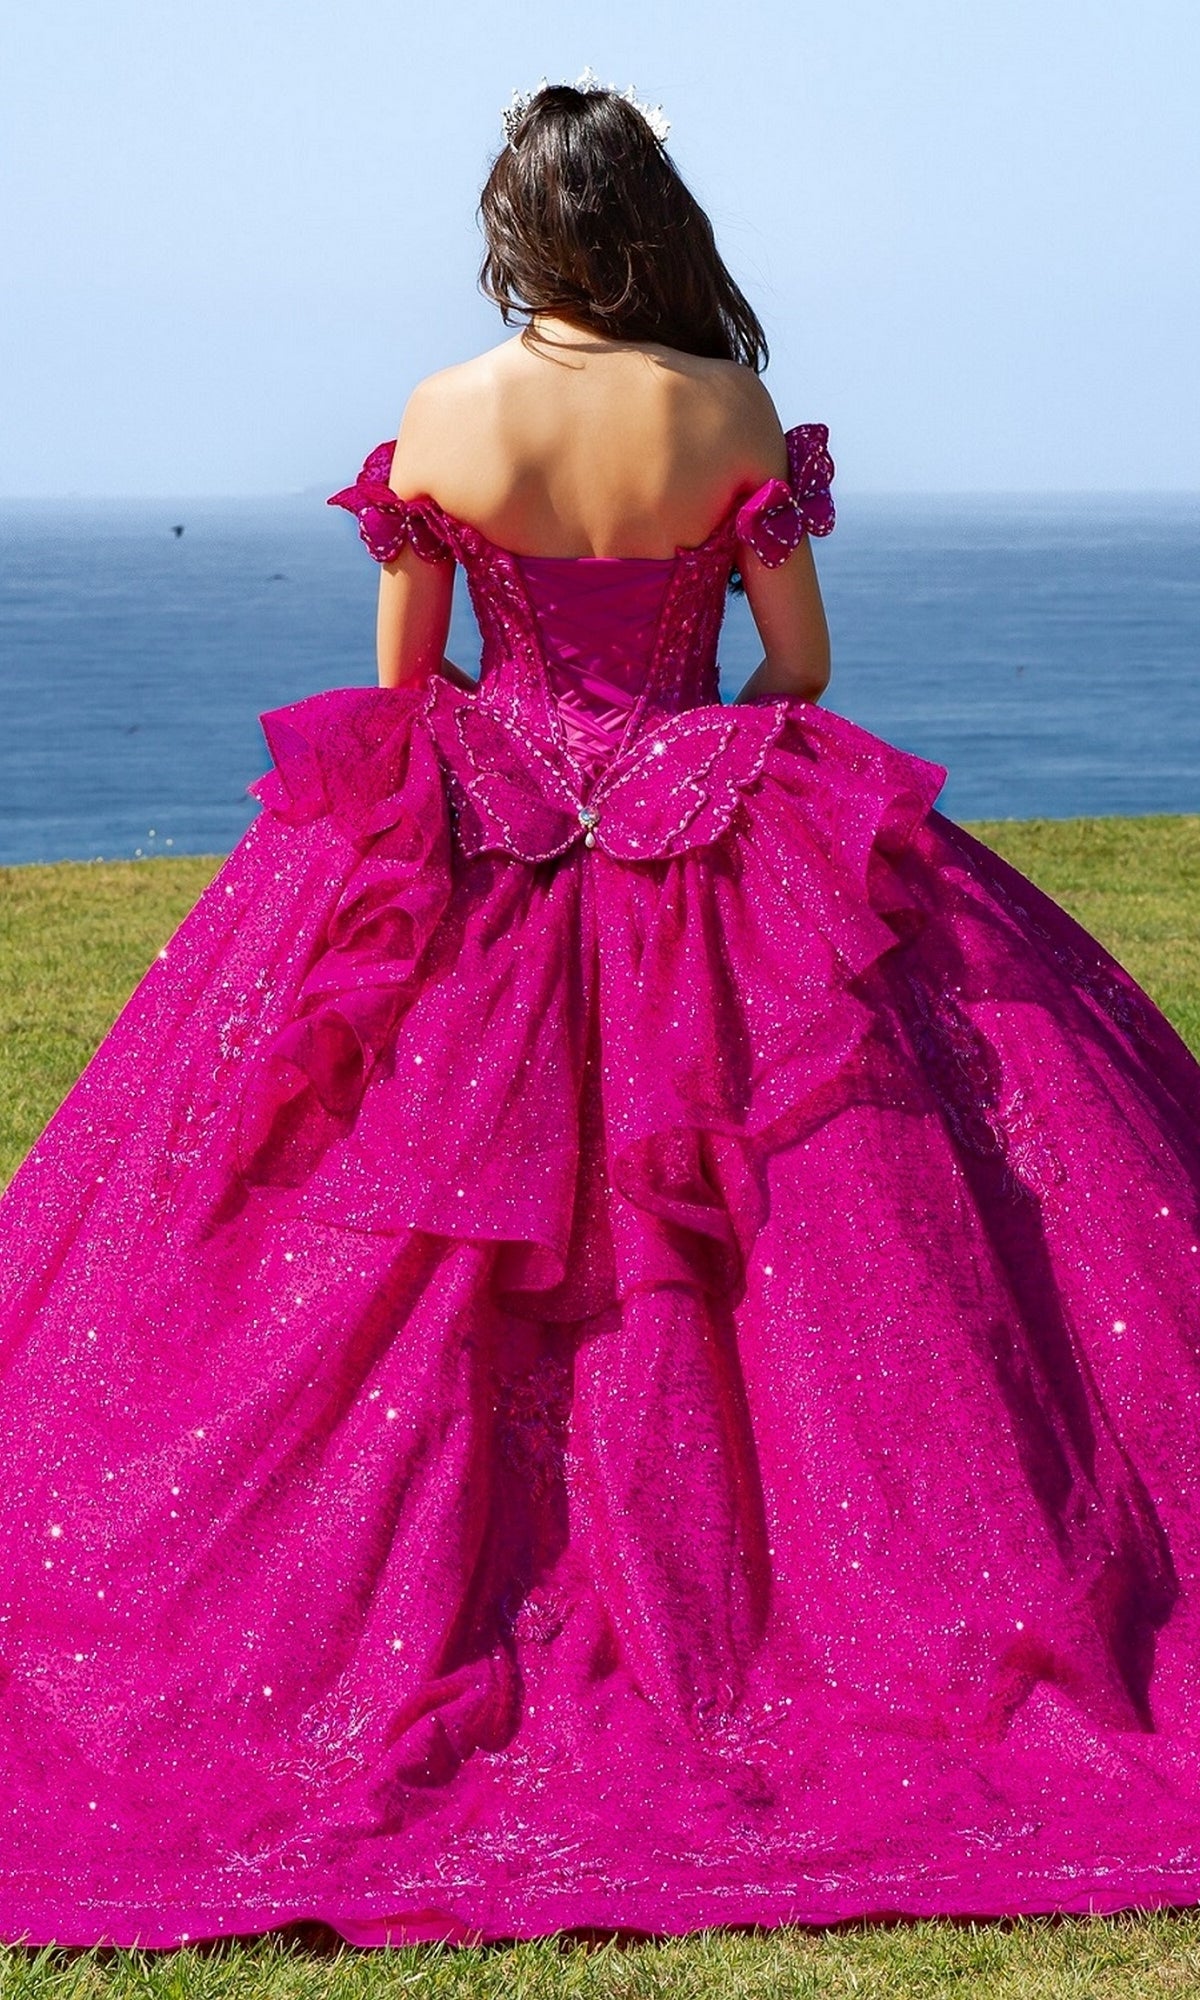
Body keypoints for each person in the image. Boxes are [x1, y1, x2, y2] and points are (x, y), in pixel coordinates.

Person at [0, 73, 1199, 1955]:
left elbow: (406, 686)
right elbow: (799, 669)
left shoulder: (443, 416)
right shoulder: (717, 407)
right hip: (708, 806)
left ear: (514, 230)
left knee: (364, 1227)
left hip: (478, 815)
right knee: (822, 1239)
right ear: (650, 219)